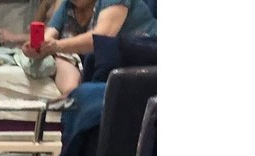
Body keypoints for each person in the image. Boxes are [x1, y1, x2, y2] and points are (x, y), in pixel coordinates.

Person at [23, 0, 157, 96]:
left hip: (143, 56)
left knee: (61, 52)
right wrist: (34, 49)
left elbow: (101, 38)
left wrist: (56, 46)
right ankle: (71, 95)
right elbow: (47, 39)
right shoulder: (67, 5)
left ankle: (74, 97)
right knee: (61, 57)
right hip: (99, 63)